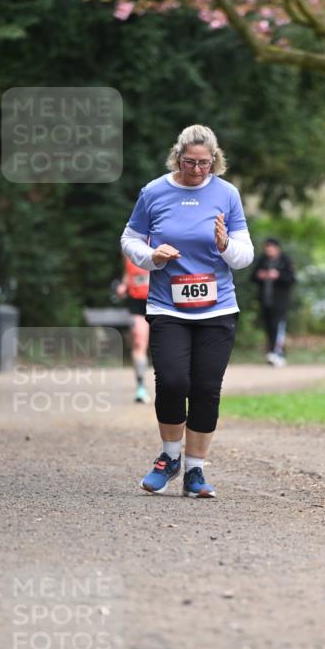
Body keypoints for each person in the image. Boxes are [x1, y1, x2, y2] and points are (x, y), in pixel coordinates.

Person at [120, 124, 254, 498]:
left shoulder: (227, 194)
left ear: (215, 161)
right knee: (174, 381)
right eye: (190, 162)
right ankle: (169, 457)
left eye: (205, 164)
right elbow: (129, 238)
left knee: (207, 388)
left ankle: (195, 471)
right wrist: (151, 256)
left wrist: (226, 245)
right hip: (168, 306)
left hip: (218, 308)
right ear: (178, 157)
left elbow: (245, 254)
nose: (197, 170)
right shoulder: (154, 192)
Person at [252, 238, 295, 366]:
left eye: (271, 247)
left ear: (277, 248)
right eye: (267, 248)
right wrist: (261, 275)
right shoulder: (262, 260)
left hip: (280, 302)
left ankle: (277, 353)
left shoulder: (284, 260)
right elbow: (253, 276)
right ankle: (272, 352)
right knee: (269, 327)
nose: (268, 250)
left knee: (278, 326)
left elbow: (291, 278)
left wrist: (278, 275)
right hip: (265, 301)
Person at [116, 256, 151, 403]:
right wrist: (124, 285)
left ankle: (177, 387)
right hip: (137, 304)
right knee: (139, 342)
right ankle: (141, 386)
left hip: (162, 301)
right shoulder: (130, 247)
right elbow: (129, 273)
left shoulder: (164, 239)